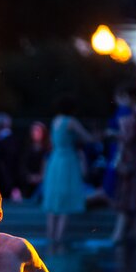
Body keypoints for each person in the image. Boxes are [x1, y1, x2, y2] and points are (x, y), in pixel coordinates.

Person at [42, 96, 95, 245]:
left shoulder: (55, 120)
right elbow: (88, 138)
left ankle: (50, 239)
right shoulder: (71, 121)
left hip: (55, 160)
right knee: (65, 202)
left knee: (53, 202)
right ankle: (59, 240)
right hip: (67, 161)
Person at [110, 85, 136, 245]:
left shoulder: (135, 116)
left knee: (129, 203)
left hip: (132, 164)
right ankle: (134, 237)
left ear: (132, 98)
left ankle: (121, 237)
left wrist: (114, 134)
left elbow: (129, 138)